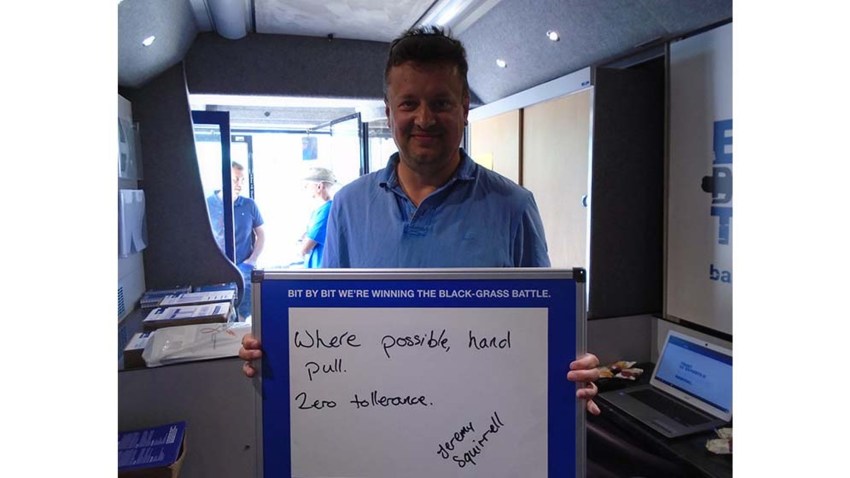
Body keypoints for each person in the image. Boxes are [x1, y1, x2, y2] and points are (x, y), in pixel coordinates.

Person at [240, 26, 600, 414]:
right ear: (389, 111)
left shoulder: (514, 206)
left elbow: (543, 331)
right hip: (373, 422)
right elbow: (329, 327)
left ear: (464, 108)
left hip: (480, 427)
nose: (424, 119)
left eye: (441, 103)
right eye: (409, 103)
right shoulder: (348, 206)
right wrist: (275, 353)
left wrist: (572, 370)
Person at [206, 161, 266, 320]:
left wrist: (251, 261)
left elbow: (261, 235)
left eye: (242, 179)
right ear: (223, 179)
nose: (240, 184)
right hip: (218, 270)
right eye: (235, 179)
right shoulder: (208, 205)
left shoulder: (249, 205)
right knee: (221, 317)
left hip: (244, 269)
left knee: (244, 317)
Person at [297, 167, 337, 268]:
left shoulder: (327, 210)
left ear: (319, 186)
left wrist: (303, 242)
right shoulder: (319, 210)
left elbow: (304, 249)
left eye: (307, 185)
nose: (304, 189)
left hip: (321, 270)